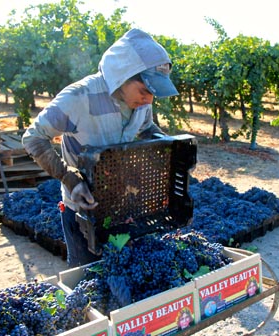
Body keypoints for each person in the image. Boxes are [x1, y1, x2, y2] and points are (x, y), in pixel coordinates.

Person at [22, 28, 179, 267]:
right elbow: (33, 138)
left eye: (153, 94)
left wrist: (171, 149)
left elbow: (147, 128)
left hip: (125, 206)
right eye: (145, 90)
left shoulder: (142, 103)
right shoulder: (79, 98)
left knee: (124, 277)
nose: (149, 100)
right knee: (87, 278)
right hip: (83, 209)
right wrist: (69, 178)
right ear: (122, 77)